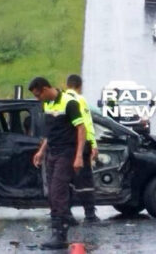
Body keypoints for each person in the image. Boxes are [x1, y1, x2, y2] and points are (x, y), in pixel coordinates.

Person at [29, 77, 86, 250]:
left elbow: (81, 128)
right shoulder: (47, 104)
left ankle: (60, 235)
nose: (38, 99)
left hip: (66, 153)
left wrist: (79, 156)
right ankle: (60, 225)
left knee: (57, 192)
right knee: (51, 193)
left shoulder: (69, 103)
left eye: (39, 95)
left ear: (46, 88)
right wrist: (41, 151)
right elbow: (50, 133)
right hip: (52, 152)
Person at [66, 74, 99, 223]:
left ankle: (66, 213)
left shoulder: (60, 99)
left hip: (64, 147)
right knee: (85, 182)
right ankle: (90, 214)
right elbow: (86, 124)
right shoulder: (80, 100)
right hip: (81, 146)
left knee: (66, 181)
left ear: (68, 85)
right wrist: (93, 144)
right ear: (79, 86)